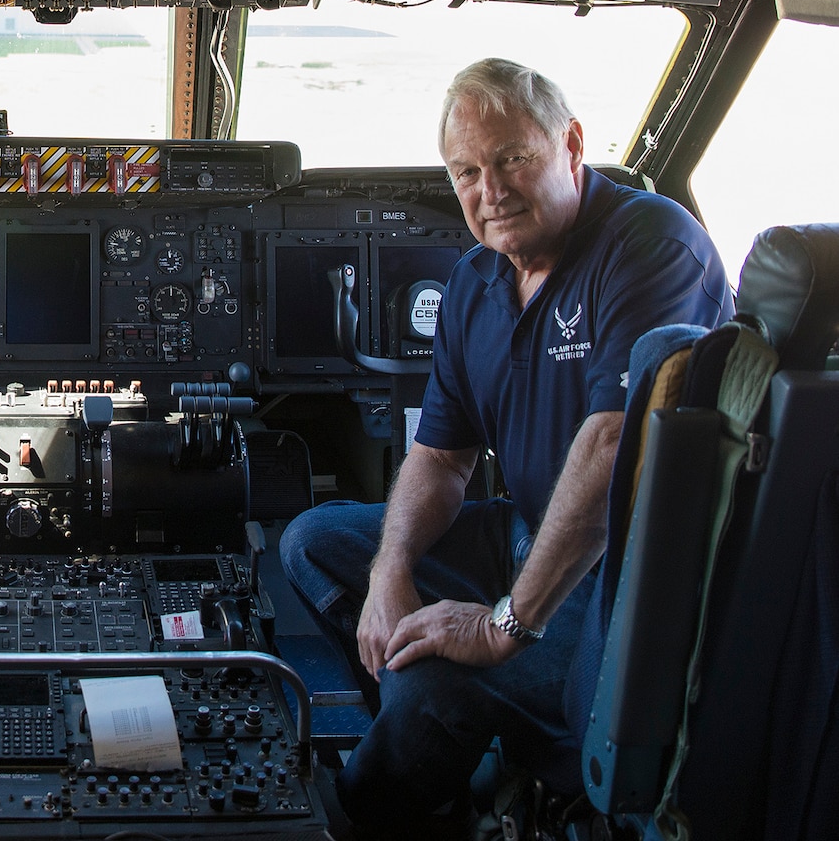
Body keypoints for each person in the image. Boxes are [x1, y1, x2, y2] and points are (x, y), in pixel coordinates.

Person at [279, 57, 733, 835]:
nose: (491, 191)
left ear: (572, 144)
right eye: (467, 171)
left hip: (628, 579)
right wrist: (391, 575)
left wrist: (500, 628)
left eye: (514, 158)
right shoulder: (475, 281)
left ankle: (374, 805)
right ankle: (438, 747)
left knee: (436, 689)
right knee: (313, 541)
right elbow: (441, 456)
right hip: (524, 533)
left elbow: (612, 446)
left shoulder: (652, 246)